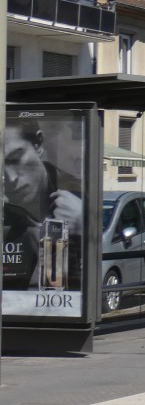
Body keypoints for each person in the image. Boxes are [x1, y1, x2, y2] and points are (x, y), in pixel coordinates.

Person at [3, 120, 83, 290]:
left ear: (38, 144)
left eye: (16, 159)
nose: (10, 178)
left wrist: (84, 225)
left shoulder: (80, 194)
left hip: (63, 306)